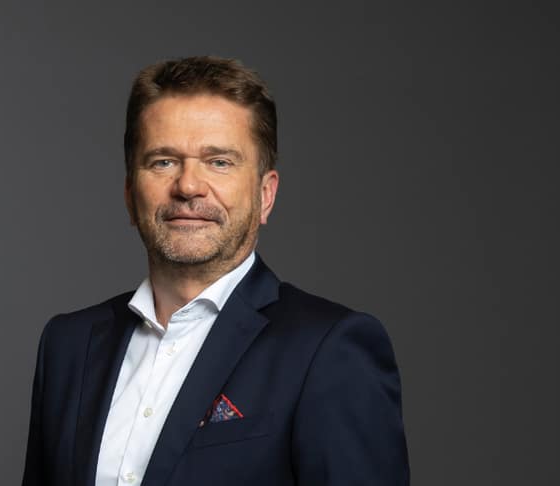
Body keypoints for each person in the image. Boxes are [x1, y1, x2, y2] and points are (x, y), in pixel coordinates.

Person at [21, 56, 409, 486]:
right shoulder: (68, 346)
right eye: (163, 161)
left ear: (265, 195)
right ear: (131, 194)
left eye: (219, 161)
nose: (188, 186)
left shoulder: (328, 350)